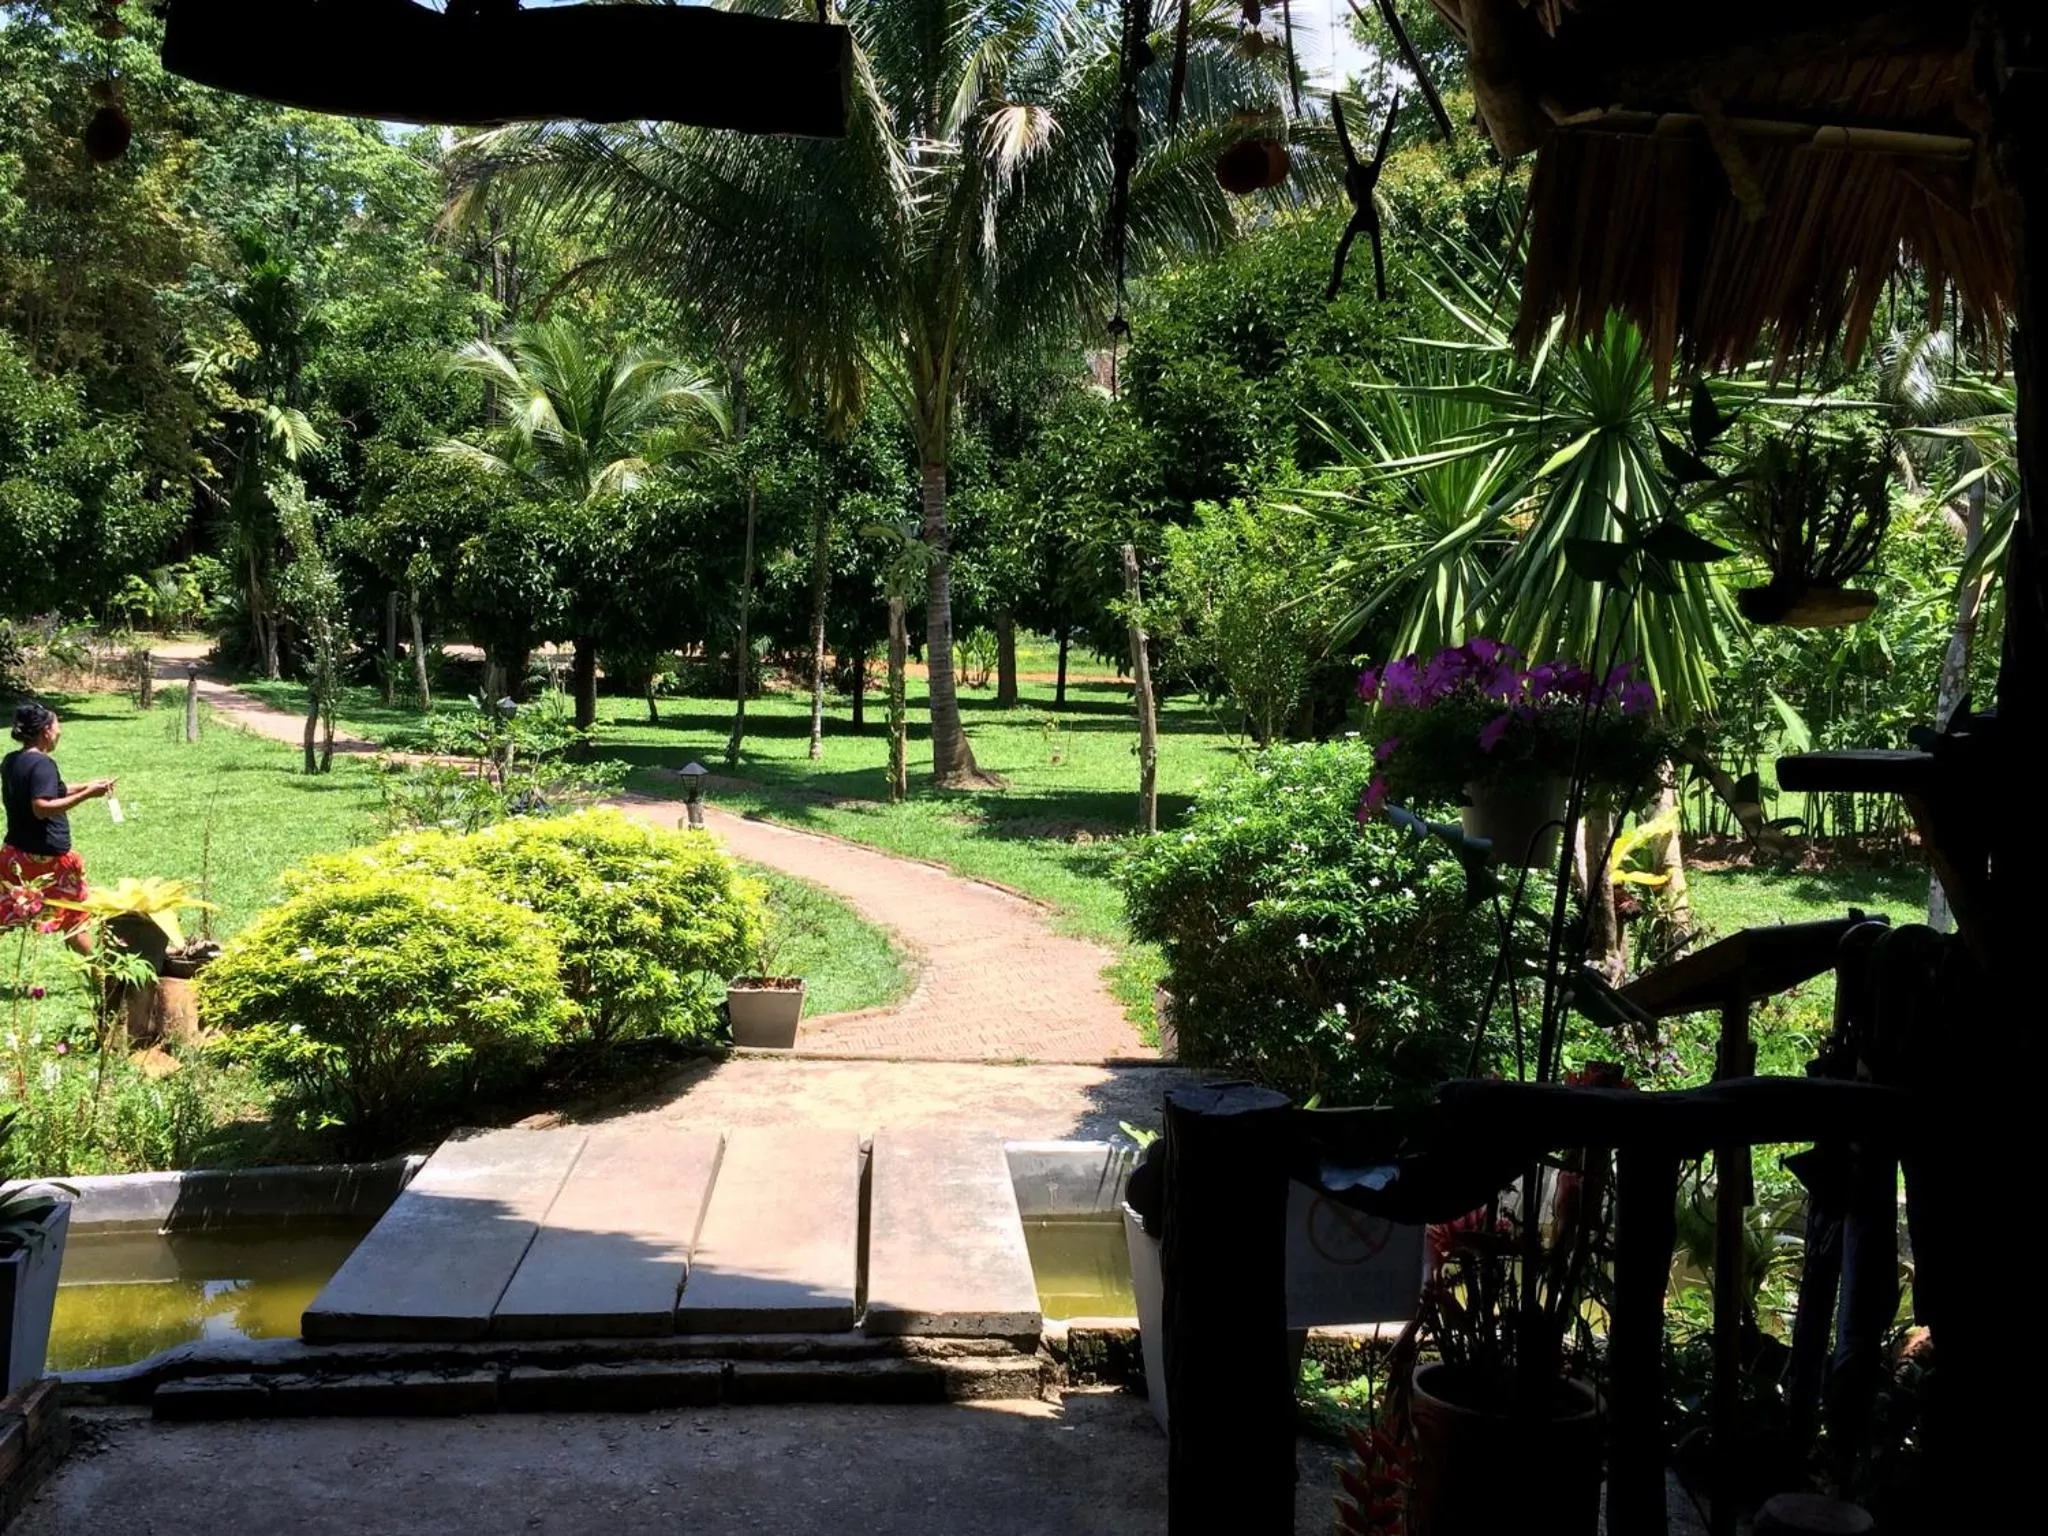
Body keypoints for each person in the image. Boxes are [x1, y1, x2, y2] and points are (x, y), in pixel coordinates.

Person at [2, 701, 114, 956]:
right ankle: (102, 977)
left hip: (14, 854)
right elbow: (42, 805)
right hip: (47, 860)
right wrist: (87, 795)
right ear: (45, 731)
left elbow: (50, 790)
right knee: (75, 919)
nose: (59, 732)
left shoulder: (12, 760)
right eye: (57, 726)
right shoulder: (43, 764)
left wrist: (88, 785)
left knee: (4, 912)